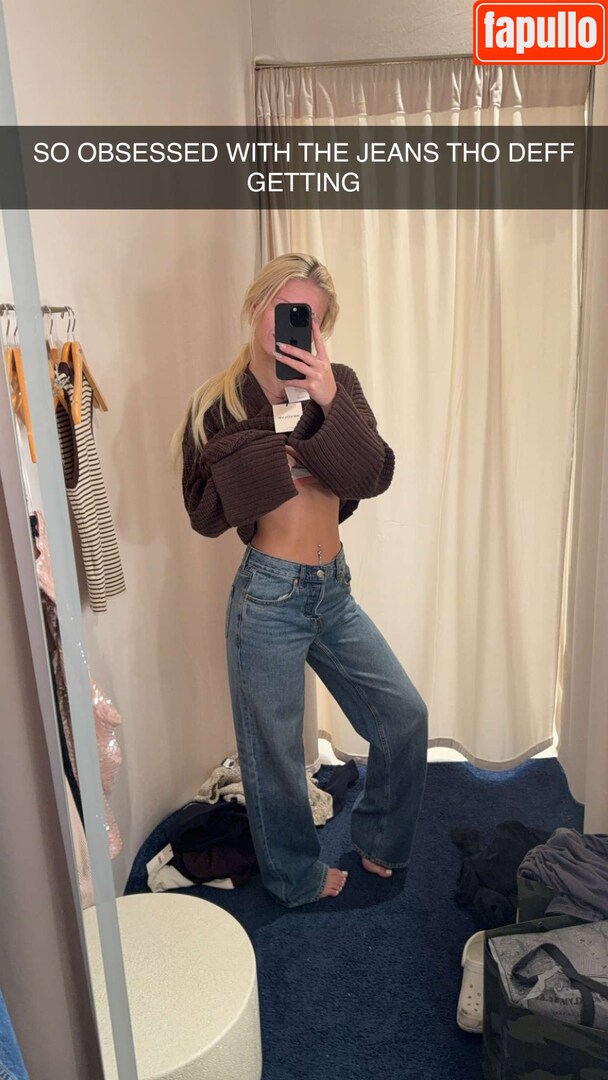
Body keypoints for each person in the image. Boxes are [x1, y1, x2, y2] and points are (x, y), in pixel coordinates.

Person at [172, 253, 428, 908]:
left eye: (309, 317)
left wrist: (329, 405)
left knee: (403, 716)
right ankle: (294, 876)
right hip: (269, 595)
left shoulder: (340, 384)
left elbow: (373, 473)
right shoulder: (218, 403)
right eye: (284, 308)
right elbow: (205, 511)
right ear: (258, 305)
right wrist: (282, 445)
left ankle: (381, 838)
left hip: (332, 590)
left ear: (322, 328)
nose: (292, 324)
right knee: (276, 753)